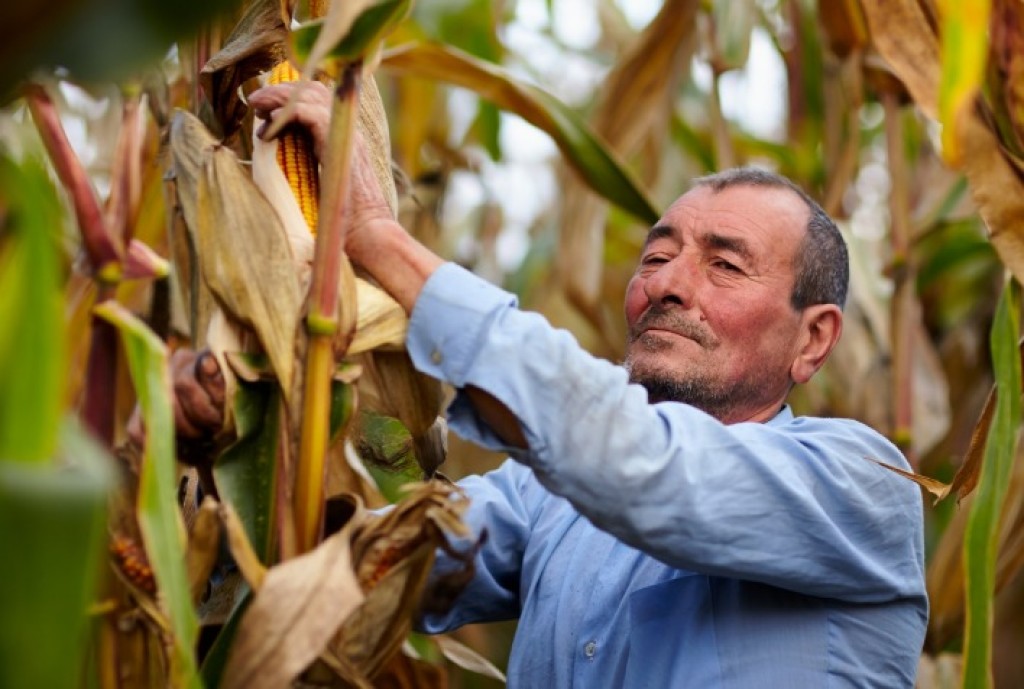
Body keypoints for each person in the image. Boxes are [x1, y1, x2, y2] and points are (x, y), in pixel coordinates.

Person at [173, 82, 928, 687]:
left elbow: (643, 466)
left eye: (725, 265)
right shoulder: (546, 501)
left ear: (813, 338)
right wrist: (233, 446)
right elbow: (350, 569)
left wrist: (378, 239)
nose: (666, 285)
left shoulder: (863, 488)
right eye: (655, 257)